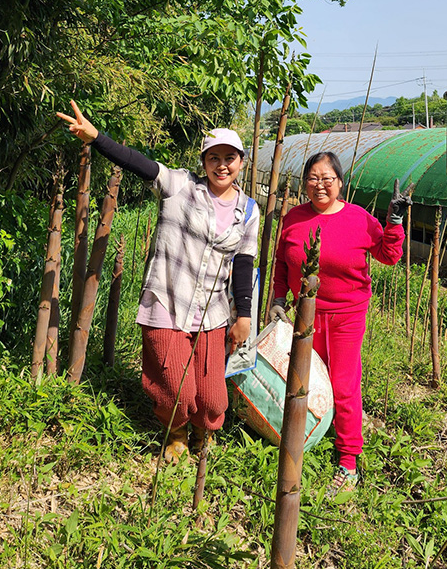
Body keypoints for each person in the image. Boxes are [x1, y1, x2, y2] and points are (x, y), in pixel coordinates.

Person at [57, 100, 259, 462]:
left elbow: (244, 264)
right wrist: (96, 137)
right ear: (204, 162)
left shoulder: (249, 210)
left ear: (241, 162)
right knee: (177, 393)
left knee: (212, 397)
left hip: (213, 312)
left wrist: (243, 315)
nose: (222, 165)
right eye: (214, 157)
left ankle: (203, 430)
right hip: (168, 299)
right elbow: (137, 161)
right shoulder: (180, 186)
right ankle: (177, 431)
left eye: (230, 157)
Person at [270, 151, 411, 494]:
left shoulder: (359, 218)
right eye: (313, 179)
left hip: (346, 314)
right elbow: (281, 263)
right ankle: (303, 435)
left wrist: (394, 223)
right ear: (305, 183)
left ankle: (349, 461)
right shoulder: (293, 218)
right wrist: (277, 299)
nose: (320, 186)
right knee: (304, 379)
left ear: (340, 182)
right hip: (305, 311)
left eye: (327, 179)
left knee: (344, 384)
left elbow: (389, 256)